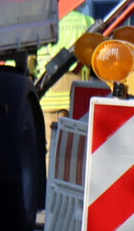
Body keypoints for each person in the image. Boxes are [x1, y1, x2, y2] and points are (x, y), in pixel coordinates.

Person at [35, 9, 95, 150]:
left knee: (52, 149)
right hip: (79, 97)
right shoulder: (86, 21)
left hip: (48, 98)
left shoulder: (40, 23)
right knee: (79, 150)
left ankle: (50, 174)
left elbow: (29, 63)